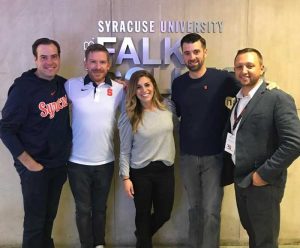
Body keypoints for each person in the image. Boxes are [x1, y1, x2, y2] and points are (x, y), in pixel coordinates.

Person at [222, 48, 300, 248]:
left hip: (263, 183)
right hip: (242, 180)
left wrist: (262, 175)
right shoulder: (239, 99)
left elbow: (294, 142)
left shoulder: (277, 98)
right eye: (239, 66)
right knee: (253, 235)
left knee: (264, 240)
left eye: (250, 65)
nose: (244, 70)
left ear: (262, 68)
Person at [0, 38, 72, 248]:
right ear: (35, 59)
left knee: (48, 219)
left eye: (54, 56)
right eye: (44, 57)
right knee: (35, 223)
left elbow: (89, 87)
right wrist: (29, 163)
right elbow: (5, 128)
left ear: (59, 57)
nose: (50, 62)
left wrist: (117, 83)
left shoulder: (62, 84)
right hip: (35, 166)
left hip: (58, 164)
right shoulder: (23, 88)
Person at [171, 33, 240, 248]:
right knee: (194, 210)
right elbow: (179, 113)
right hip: (188, 156)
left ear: (205, 52)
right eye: (187, 53)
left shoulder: (223, 79)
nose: (192, 57)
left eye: (196, 52)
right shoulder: (179, 84)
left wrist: (268, 85)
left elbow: (250, 90)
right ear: (183, 55)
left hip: (215, 157)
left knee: (211, 212)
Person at [64, 44, 125, 248]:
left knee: (100, 209)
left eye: (101, 62)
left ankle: (99, 244)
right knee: (83, 210)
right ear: (85, 63)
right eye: (93, 61)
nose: (97, 66)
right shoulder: (71, 86)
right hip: (77, 163)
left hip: (105, 161)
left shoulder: (119, 90)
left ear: (108, 65)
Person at [118, 70, 176, 248]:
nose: (144, 90)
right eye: (138, 87)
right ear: (133, 91)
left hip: (165, 169)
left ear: (154, 86)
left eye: (147, 85)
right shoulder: (129, 115)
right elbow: (124, 150)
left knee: (164, 213)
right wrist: (126, 177)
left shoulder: (168, 107)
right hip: (140, 172)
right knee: (142, 214)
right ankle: (143, 242)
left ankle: (141, 235)